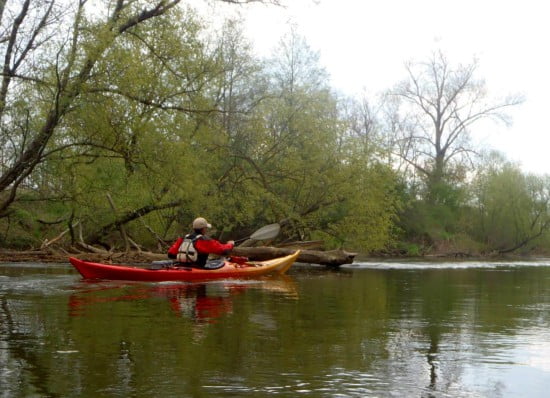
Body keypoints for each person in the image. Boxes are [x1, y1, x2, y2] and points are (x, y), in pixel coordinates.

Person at [167, 217, 234, 268]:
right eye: (206, 228)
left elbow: (170, 254)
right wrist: (230, 244)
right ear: (203, 229)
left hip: (181, 267)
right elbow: (224, 250)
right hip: (197, 268)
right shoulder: (204, 240)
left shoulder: (183, 238)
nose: (206, 230)